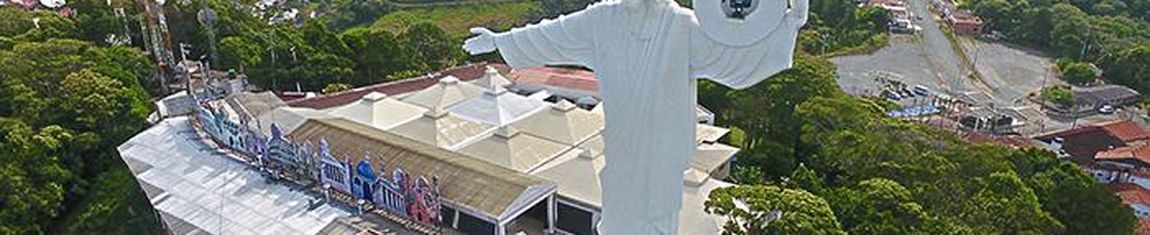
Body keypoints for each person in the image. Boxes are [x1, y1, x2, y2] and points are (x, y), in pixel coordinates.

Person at [463, 0, 807, 233]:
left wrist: (786, 25)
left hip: (662, 147)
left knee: (658, 214)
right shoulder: (602, 19)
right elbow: (553, 33)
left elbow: (732, 54)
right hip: (623, 142)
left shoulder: (681, 25)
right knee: (619, 211)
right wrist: (501, 41)